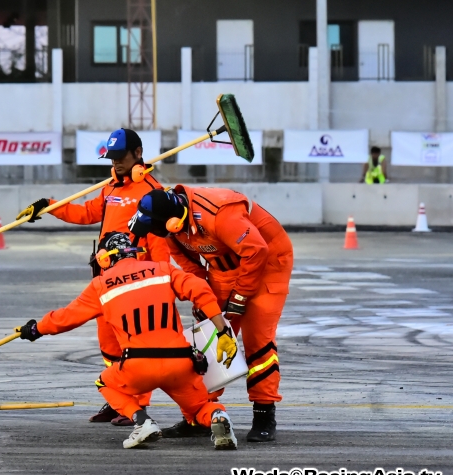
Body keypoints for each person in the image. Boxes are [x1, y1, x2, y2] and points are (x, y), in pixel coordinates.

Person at [17, 232, 239, 450]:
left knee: (104, 382)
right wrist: (222, 332)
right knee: (199, 407)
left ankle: (143, 422)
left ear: (105, 257)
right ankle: (217, 416)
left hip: (138, 366)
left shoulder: (101, 285)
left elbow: (66, 318)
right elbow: (200, 288)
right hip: (180, 363)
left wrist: (36, 329)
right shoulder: (162, 269)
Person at [16, 128, 171, 426]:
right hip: (106, 279)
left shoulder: (153, 194)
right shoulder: (110, 188)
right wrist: (50, 206)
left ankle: (138, 406)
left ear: (138, 154)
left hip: (136, 283)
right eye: (111, 159)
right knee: (110, 346)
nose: (116, 164)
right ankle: (118, 400)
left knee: (135, 346)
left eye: (121, 157)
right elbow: (86, 213)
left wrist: (161, 281)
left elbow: (161, 245)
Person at [129, 186, 293, 443]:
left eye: (152, 227)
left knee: (257, 341)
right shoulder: (172, 229)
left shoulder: (220, 213)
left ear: (172, 221)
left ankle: (264, 415)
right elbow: (189, 264)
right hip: (223, 268)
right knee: (207, 340)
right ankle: (200, 414)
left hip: (267, 264)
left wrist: (239, 298)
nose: (151, 234)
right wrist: (201, 295)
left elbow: (256, 251)